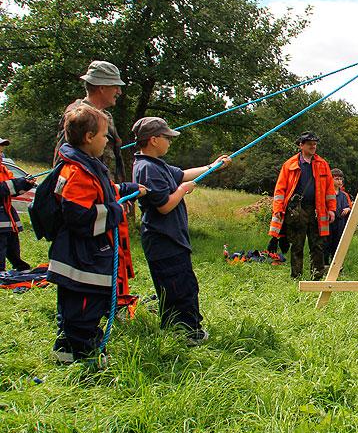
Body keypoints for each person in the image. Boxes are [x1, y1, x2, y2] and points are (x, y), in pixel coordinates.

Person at [46, 105, 145, 363]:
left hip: (84, 255)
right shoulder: (76, 172)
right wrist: (115, 211)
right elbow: (79, 217)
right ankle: (85, 355)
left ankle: (67, 350)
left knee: (81, 306)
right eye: (104, 136)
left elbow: (101, 189)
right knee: (83, 308)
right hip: (81, 258)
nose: (107, 141)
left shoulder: (87, 166)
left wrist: (126, 188)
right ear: (89, 137)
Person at [131, 117, 231, 345]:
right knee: (179, 287)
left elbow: (184, 174)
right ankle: (186, 333)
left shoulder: (156, 164)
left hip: (172, 237)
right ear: (154, 140)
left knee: (181, 284)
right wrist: (183, 191)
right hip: (162, 238)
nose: (170, 142)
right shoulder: (147, 168)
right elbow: (164, 205)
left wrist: (212, 167)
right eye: (167, 138)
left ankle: (179, 329)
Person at [267, 132, 336, 280]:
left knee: (317, 246)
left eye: (315, 143)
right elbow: (280, 190)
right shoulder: (289, 164)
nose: (313, 146)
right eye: (309, 143)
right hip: (296, 210)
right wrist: (278, 208)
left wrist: (331, 209)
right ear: (301, 145)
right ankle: (296, 277)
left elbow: (330, 190)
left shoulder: (323, 164)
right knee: (297, 245)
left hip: (317, 210)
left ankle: (316, 277)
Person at [55, 60, 127, 182]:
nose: (119, 92)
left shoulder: (106, 116)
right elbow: (62, 161)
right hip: (86, 196)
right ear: (102, 87)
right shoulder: (76, 115)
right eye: (116, 86)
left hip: (108, 194)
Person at [0, 136, 36, 271]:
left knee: (13, 247)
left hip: (7, 218)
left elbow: (12, 190)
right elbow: (3, 188)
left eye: (1, 150)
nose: (1, 153)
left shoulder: (3, 169)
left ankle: (22, 269)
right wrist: (18, 183)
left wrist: (26, 184)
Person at [325, 168, 353, 264]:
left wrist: (348, 209)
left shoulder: (344, 195)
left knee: (337, 245)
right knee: (326, 245)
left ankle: (336, 265)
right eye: (337, 179)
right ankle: (325, 265)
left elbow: (350, 207)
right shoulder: (326, 193)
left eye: (341, 179)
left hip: (340, 223)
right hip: (328, 223)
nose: (340, 181)